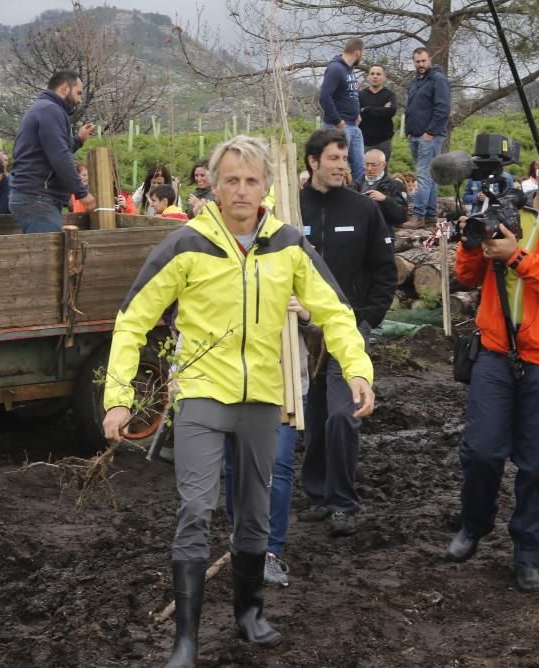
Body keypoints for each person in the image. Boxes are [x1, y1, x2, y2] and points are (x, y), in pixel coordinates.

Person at [101, 135, 375, 666]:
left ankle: (249, 615)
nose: (242, 190)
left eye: (252, 180)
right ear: (214, 185)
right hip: (203, 394)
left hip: (262, 400)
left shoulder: (287, 244)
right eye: (232, 180)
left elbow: (335, 310)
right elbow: (132, 317)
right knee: (197, 508)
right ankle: (186, 638)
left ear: (267, 187)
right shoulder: (188, 244)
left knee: (253, 512)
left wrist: (358, 369)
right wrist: (119, 397)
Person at [444, 136, 539, 593]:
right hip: (494, 351)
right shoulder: (508, 209)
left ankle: (527, 551)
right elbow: (467, 276)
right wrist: (474, 241)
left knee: (537, 465)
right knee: (481, 451)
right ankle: (474, 525)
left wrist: (515, 256)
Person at [297, 128, 397, 538]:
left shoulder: (362, 210)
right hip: (301, 330)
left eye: (345, 159)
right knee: (315, 415)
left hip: (348, 330)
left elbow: (385, 270)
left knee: (343, 413)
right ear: (312, 161)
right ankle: (318, 495)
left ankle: (343, 502)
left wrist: (367, 321)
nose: (342, 166)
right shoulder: (292, 208)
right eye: (334, 158)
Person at [224, 296, 312, 587]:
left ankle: (270, 551)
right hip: (232, 381)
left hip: (286, 383)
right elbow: (180, 314)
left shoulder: (299, 256)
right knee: (235, 465)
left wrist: (305, 313)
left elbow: (332, 316)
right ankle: (243, 537)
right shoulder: (218, 254)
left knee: (278, 464)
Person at [10, 70, 96, 233]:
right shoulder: (51, 110)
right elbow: (59, 156)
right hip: (39, 197)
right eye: (78, 93)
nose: (79, 100)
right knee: (46, 256)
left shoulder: (43, 109)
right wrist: (82, 193)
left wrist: (78, 140)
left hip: (33, 195)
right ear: (64, 88)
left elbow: (49, 151)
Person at [402, 47, 450, 229]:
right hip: (414, 134)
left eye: (423, 61)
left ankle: (418, 215)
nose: (421, 65)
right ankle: (430, 215)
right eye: (417, 62)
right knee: (429, 176)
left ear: (430, 59)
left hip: (429, 136)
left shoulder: (438, 80)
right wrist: (408, 129)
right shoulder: (415, 81)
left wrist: (429, 132)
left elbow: (443, 109)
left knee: (423, 176)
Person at [319, 37, 365, 184]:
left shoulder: (349, 69)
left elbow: (348, 94)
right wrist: (337, 120)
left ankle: (361, 201)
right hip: (338, 127)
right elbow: (324, 97)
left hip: (354, 126)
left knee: (359, 168)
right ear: (358, 52)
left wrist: (356, 112)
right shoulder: (336, 69)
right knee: (336, 168)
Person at [356, 148, 407, 230]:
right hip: (359, 232)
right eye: (366, 164)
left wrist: (385, 199)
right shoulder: (355, 185)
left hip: (383, 233)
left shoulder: (394, 185)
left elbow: (402, 216)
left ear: (383, 165)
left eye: (373, 165)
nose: (369, 168)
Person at [358, 64, 397, 164]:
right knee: (364, 172)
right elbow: (357, 114)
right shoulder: (361, 95)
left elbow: (390, 112)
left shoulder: (389, 95)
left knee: (382, 173)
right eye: (372, 74)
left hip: (384, 142)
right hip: (364, 142)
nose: (375, 76)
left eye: (378, 74)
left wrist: (367, 109)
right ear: (368, 77)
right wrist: (382, 110)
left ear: (384, 77)